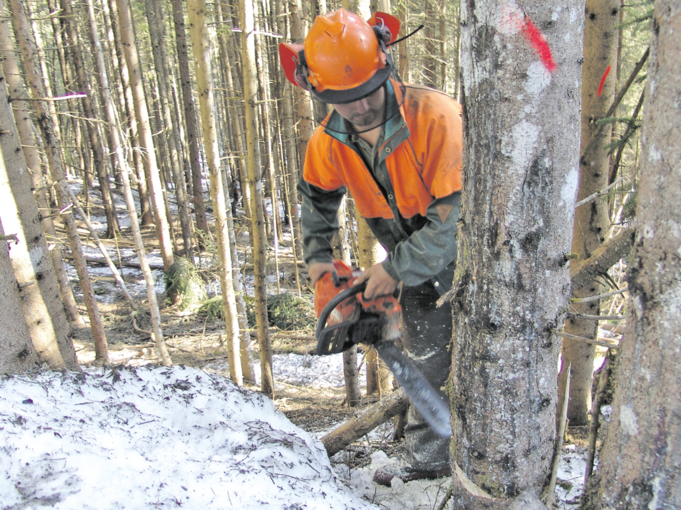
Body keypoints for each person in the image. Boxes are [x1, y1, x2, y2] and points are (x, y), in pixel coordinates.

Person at [280, 9, 463, 485]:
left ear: (384, 66)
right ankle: (430, 459)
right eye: (344, 99)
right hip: (414, 264)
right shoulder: (327, 143)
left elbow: (453, 222)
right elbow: (316, 209)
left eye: (365, 92)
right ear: (319, 91)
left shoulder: (435, 117)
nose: (359, 107)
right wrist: (323, 272)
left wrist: (392, 269)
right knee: (425, 359)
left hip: (473, 259)